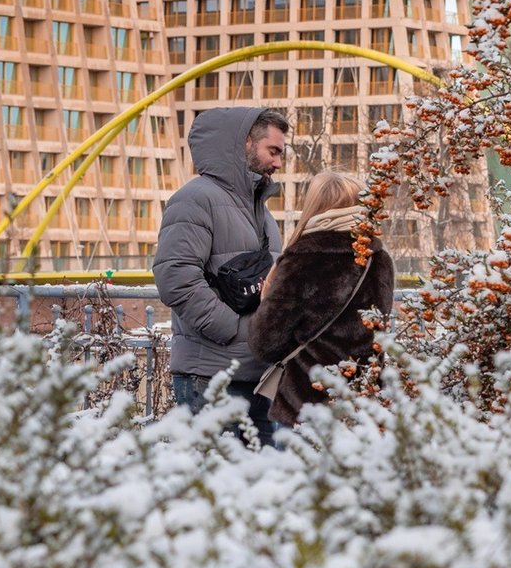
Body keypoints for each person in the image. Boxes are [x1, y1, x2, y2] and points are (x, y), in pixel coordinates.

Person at [155, 106, 288, 444]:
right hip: (211, 376)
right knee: (212, 475)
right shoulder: (194, 200)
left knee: (261, 474)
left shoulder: (262, 213)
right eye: (273, 151)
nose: (278, 163)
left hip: (257, 376)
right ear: (245, 143)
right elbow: (176, 279)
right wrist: (234, 330)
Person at [247, 170, 395, 427]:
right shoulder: (378, 259)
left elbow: (265, 343)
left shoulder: (300, 260)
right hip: (363, 404)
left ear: (314, 207)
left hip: (305, 404)